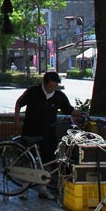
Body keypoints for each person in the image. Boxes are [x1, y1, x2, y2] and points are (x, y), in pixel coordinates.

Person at [13, 71, 80, 199]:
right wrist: (17, 120)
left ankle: (43, 188)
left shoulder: (59, 96)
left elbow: (69, 110)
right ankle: (24, 188)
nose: (52, 89)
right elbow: (19, 103)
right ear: (44, 83)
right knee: (28, 159)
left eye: (55, 87)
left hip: (49, 131)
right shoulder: (33, 91)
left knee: (48, 160)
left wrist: (81, 114)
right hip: (31, 130)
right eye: (50, 86)